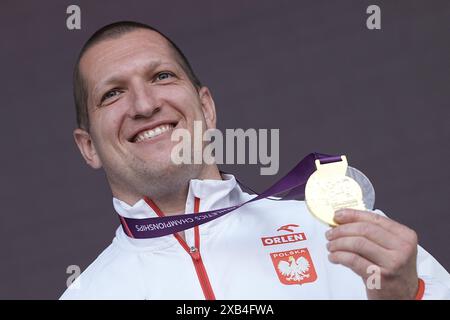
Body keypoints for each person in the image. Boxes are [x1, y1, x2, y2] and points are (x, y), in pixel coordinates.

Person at [61, 21, 450, 299]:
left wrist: (406, 297)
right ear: (88, 146)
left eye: (162, 76)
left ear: (207, 108)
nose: (145, 105)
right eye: (112, 94)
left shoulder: (347, 240)